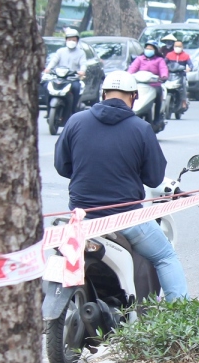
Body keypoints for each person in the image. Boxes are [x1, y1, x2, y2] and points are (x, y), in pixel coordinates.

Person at [53, 71, 188, 301]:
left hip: (82, 218)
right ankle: (182, 317)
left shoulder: (76, 121)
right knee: (165, 256)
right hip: (127, 220)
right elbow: (154, 179)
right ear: (134, 96)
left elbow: (62, 166)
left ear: (103, 94)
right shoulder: (141, 129)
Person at [46, 27, 86, 114]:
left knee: (76, 88)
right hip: (59, 78)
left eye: (73, 40)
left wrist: (82, 71)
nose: (71, 41)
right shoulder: (60, 51)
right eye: (69, 39)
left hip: (73, 79)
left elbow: (83, 64)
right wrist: (48, 68)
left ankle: (73, 109)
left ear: (77, 41)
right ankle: (48, 109)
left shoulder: (81, 53)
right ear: (66, 40)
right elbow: (54, 61)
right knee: (47, 87)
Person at [128, 41, 169, 125]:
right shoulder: (139, 59)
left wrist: (163, 76)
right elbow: (132, 69)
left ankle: (157, 118)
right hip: (139, 85)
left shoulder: (159, 60)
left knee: (159, 95)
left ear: (155, 50)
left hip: (154, 85)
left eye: (151, 49)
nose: (148, 50)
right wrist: (128, 75)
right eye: (147, 48)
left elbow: (163, 69)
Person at [165, 37, 194, 111]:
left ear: (182, 47)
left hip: (181, 75)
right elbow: (164, 63)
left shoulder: (186, 55)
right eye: (176, 46)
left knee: (183, 86)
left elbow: (190, 65)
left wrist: (189, 69)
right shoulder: (169, 55)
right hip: (171, 75)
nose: (177, 48)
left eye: (179, 46)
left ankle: (184, 101)